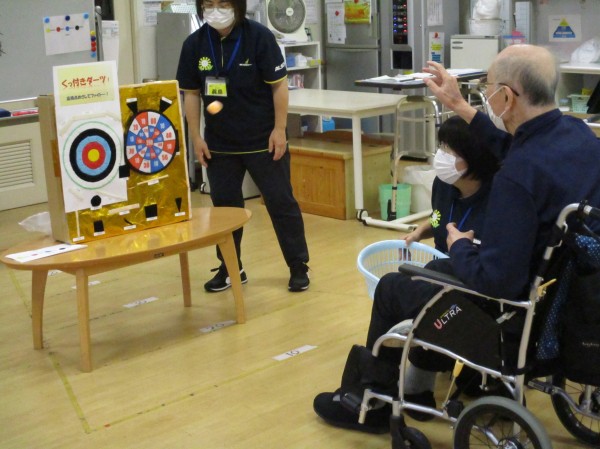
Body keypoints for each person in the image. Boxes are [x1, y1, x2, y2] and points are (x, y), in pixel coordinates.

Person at [313, 115, 500, 433]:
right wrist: (423, 229)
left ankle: (373, 401)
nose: (440, 155)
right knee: (420, 277)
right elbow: (441, 217)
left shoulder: (496, 204)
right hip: (448, 271)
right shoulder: (445, 185)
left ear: (473, 160)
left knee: (391, 287)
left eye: (448, 150)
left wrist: (461, 249)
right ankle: (418, 386)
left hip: (471, 290)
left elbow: (484, 270)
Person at [176, 0, 310, 292]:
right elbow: (191, 94)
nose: (215, 9)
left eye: (222, 3)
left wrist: (279, 129)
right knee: (224, 210)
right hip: (219, 144)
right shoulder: (194, 44)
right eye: (208, 4)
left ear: (236, 5)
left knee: (281, 203)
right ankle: (230, 267)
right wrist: (195, 138)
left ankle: (298, 266)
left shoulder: (259, 37)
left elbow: (279, 85)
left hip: (263, 140)